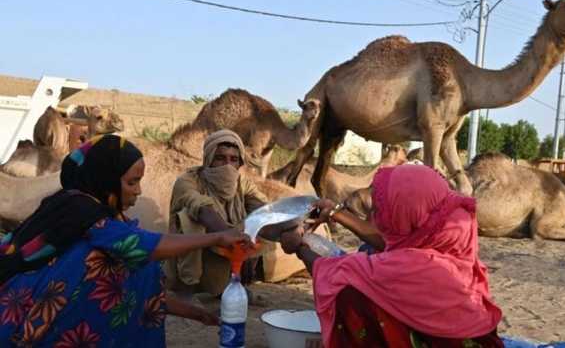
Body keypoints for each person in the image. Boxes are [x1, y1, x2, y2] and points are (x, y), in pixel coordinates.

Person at [0, 134, 252, 346]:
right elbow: (142, 246)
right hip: (37, 325)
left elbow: (132, 285)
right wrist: (217, 237)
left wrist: (195, 313)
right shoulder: (81, 213)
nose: (139, 191)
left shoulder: (100, 213)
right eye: (132, 182)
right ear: (105, 177)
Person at [280, 165, 504, 348]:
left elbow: (339, 272)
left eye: (385, 212)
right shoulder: (450, 226)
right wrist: (335, 212)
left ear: (409, 212)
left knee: (350, 294)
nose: (379, 218)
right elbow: (392, 242)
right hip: (475, 338)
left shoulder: (417, 266)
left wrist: (300, 248)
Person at [164, 129, 268, 300]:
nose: (227, 165)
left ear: (240, 163)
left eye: (233, 159)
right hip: (196, 262)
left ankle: (235, 285)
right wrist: (238, 244)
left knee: (261, 219)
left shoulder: (243, 184)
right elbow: (202, 208)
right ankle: (186, 292)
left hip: (225, 256)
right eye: (220, 158)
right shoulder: (188, 181)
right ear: (208, 159)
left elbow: (265, 208)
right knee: (190, 219)